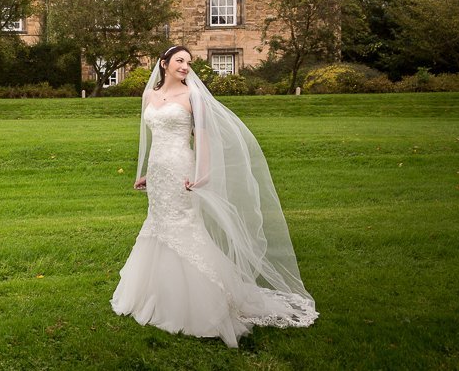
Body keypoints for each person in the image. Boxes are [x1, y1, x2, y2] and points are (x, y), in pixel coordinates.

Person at [111, 45, 317, 347]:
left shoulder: (193, 96)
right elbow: (151, 139)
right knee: (158, 227)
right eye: (179, 61)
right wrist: (146, 173)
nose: (185, 66)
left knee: (185, 228)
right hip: (159, 173)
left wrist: (202, 174)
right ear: (164, 64)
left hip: (183, 170)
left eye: (189, 62)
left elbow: (204, 139)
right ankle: (159, 297)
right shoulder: (149, 96)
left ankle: (206, 302)